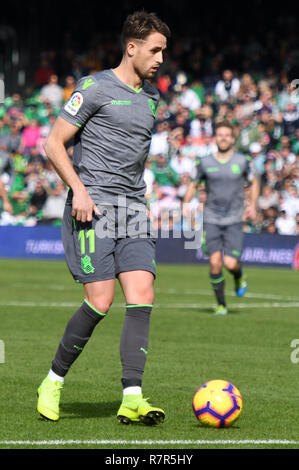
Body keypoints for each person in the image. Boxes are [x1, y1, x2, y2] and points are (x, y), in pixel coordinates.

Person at [37, 10, 170, 426]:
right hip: (91, 208)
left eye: (164, 51)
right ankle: (53, 381)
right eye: (155, 50)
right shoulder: (93, 88)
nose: (161, 59)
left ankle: (132, 396)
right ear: (131, 47)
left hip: (133, 210)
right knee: (100, 302)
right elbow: (53, 143)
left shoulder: (152, 98)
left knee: (142, 295)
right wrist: (78, 189)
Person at [184, 121, 260, 315]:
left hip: (234, 219)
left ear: (233, 138)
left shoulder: (242, 161)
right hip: (212, 218)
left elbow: (254, 182)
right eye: (220, 134)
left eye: (227, 134)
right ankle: (221, 304)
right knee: (215, 263)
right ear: (215, 138)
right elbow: (193, 183)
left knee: (230, 264)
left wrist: (252, 204)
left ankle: (238, 275)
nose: (224, 138)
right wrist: (186, 203)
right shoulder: (204, 162)